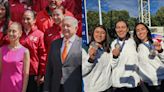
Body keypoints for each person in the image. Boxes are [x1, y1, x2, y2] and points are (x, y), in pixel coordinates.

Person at [44, 16, 82, 92]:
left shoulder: (81, 44)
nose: (65, 28)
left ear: (76, 28)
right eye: (63, 25)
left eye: (68, 26)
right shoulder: (54, 44)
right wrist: (46, 89)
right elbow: (49, 68)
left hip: (75, 87)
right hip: (56, 87)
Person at [82, 25, 118, 92]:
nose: (99, 35)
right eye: (97, 32)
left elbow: (113, 65)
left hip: (109, 87)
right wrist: (90, 59)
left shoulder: (108, 50)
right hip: (94, 90)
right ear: (93, 34)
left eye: (102, 33)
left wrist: (115, 56)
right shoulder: (85, 49)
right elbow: (82, 71)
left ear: (106, 35)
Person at [20, 10, 47, 92]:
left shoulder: (39, 35)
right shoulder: (19, 33)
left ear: (34, 20)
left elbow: (43, 55)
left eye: (28, 19)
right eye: (23, 19)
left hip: (33, 73)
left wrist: (41, 73)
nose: (25, 21)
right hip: (19, 71)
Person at [111, 20, 141, 92]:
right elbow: (112, 65)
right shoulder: (113, 43)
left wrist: (139, 77)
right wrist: (115, 57)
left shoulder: (133, 42)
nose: (120, 30)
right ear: (115, 29)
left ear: (127, 29)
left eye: (123, 27)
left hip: (133, 83)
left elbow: (138, 60)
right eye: (118, 27)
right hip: (119, 84)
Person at [133, 22, 164, 92]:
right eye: (137, 30)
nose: (140, 32)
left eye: (142, 29)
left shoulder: (157, 42)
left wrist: (160, 50)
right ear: (136, 34)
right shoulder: (136, 47)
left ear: (147, 30)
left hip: (162, 81)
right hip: (147, 84)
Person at [0, 22, 30, 92]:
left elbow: (26, 75)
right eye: (9, 31)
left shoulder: (25, 51)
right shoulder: (1, 50)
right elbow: (1, 71)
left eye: (14, 31)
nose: (11, 34)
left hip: (17, 87)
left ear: (20, 33)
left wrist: (23, 90)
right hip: (3, 86)